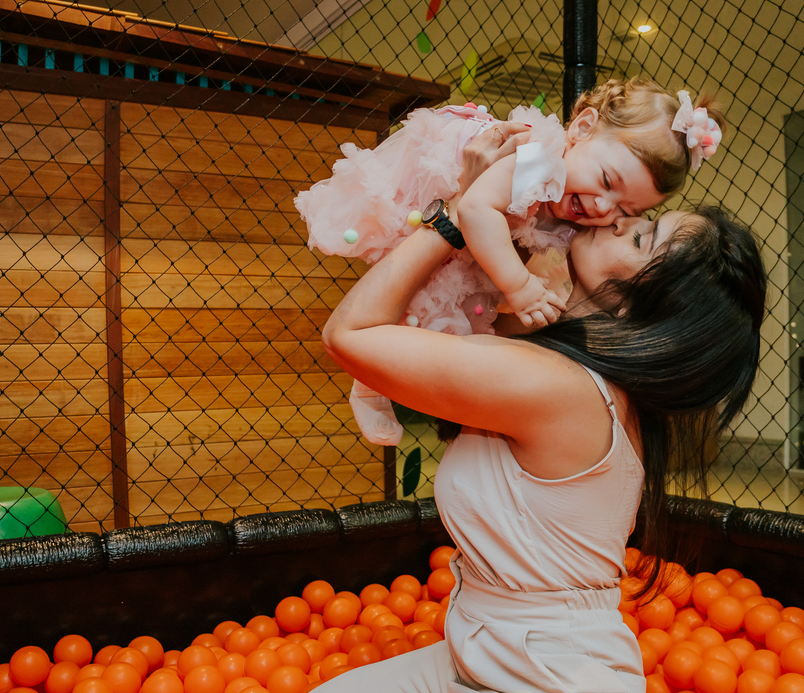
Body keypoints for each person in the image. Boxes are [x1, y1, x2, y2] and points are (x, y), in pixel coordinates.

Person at [268, 123, 768, 693]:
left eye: (642, 236)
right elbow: (455, 328)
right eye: (641, 216)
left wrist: (455, 214)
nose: (620, 218)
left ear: (641, 307)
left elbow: (350, 335)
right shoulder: (550, 356)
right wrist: (499, 211)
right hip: (471, 666)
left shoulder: (560, 390)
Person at [295, 78, 725, 446]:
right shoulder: (539, 158)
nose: (601, 207)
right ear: (583, 127)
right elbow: (477, 207)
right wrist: (518, 286)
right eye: (608, 181)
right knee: (428, 295)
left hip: (471, 239)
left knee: (452, 306)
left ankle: (376, 380)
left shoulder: (569, 206)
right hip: (439, 198)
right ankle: (370, 383)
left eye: (626, 210)